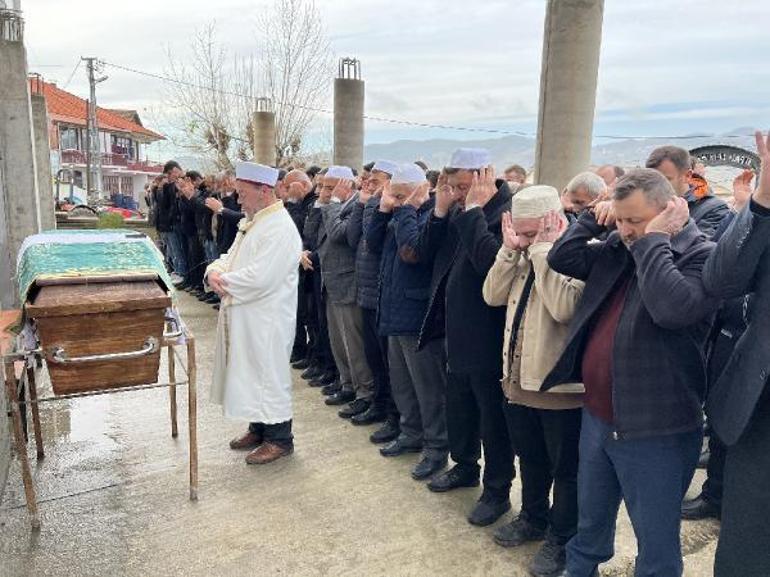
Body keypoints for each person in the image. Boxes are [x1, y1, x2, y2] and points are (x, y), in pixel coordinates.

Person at [545, 168, 719, 577]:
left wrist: (654, 241)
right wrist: (593, 216)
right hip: (599, 416)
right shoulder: (621, 246)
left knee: (655, 542)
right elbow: (562, 257)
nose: (625, 230)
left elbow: (670, 309)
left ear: (668, 212)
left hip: (656, 428)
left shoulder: (700, 255)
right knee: (590, 524)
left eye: (634, 220)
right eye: (620, 219)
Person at [483, 185, 585, 577]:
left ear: (553, 222)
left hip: (560, 390)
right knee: (531, 459)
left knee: (566, 470)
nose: (525, 241)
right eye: (519, 233)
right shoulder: (521, 252)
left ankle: (562, 537)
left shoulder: (577, 251)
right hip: (517, 381)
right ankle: (533, 517)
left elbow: (565, 308)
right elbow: (491, 295)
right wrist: (510, 251)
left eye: (530, 234)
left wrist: (543, 251)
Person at [418, 148, 515, 527]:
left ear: (484, 176)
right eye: (453, 186)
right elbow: (429, 254)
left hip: (489, 336)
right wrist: (446, 211)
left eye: (463, 186)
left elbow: (491, 265)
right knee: (459, 407)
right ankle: (465, 466)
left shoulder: (506, 210)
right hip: (457, 331)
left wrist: (474, 212)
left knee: (492, 419)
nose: (458, 193)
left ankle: (497, 489)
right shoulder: (461, 208)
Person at [703, 130, 770, 577]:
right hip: (760, 414)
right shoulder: (762, 213)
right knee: (745, 555)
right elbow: (720, 282)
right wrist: (762, 203)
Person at [206, 161, 302, 465]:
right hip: (247, 313)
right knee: (249, 372)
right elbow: (231, 257)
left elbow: (262, 277)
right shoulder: (254, 220)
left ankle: (280, 438)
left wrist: (224, 281)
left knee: (267, 376)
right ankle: (258, 428)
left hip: (266, 319)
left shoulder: (280, 227)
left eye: (243, 192)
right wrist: (213, 270)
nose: (237, 199)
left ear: (263, 191)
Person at [366, 163, 449, 480]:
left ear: (420, 190)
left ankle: (436, 447)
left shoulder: (428, 216)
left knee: (428, 388)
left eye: (401, 194)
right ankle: (410, 433)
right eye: (393, 194)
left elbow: (411, 251)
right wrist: (383, 211)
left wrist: (404, 211)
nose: (397, 200)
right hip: (393, 310)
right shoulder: (398, 212)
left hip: (417, 316)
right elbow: (372, 245)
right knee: (402, 383)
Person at [317, 167, 376, 415]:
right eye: (323, 187)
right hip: (330, 281)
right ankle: (347, 383)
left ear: (347, 186)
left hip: (348, 282)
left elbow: (339, 234)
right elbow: (314, 234)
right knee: (338, 341)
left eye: (330, 187)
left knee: (353, 342)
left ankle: (364, 391)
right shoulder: (331, 205)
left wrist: (334, 203)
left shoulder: (355, 206)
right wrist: (321, 204)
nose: (325, 192)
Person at [347, 160, 400, 424]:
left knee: (389, 362)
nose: (368, 185)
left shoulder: (395, 209)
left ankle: (392, 413)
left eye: (375, 181)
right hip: (367, 292)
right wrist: (362, 203)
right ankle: (378, 405)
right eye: (367, 180)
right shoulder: (371, 205)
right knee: (373, 357)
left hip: (384, 295)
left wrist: (380, 208)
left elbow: (377, 245)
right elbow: (354, 238)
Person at [646, 145, 729, 238]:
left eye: (665, 180)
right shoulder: (645, 206)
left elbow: (706, 248)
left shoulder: (715, 209)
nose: (656, 187)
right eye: (652, 181)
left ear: (687, 176)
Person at [282, 169, 320, 369]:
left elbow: (301, 230)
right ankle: (308, 354)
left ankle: (315, 358)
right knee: (304, 314)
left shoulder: (313, 203)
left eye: (289, 187)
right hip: (299, 264)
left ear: (302, 184)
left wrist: (304, 252)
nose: (286, 191)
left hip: (312, 265)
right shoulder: (298, 204)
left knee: (313, 317)